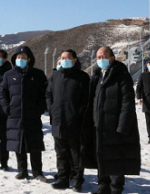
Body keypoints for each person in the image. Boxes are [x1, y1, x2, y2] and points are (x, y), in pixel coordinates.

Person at [92, 46, 141, 194]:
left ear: (112, 58)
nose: (101, 60)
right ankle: (103, 187)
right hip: (99, 126)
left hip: (114, 126)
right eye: (98, 57)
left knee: (116, 159)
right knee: (101, 157)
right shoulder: (97, 77)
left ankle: (115, 189)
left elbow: (127, 104)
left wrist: (122, 127)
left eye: (104, 57)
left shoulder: (122, 76)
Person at [46, 49, 94, 192]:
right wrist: (52, 110)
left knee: (76, 153)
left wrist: (77, 115)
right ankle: (62, 178)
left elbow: (87, 100)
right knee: (61, 153)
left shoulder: (82, 77)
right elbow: (48, 94)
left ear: (74, 60)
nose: (64, 60)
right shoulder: (55, 76)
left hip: (75, 123)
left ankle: (77, 179)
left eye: (68, 58)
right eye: (62, 58)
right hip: (57, 121)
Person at [0, 46, 48, 182]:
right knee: (18, 144)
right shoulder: (9, 75)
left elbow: (44, 94)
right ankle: (22, 171)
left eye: (23, 57)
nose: (20, 59)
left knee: (35, 144)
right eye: (18, 57)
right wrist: (6, 108)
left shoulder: (38, 74)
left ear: (29, 59)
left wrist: (40, 109)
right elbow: (2, 93)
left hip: (32, 115)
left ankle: (37, 172)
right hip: (14, 115)